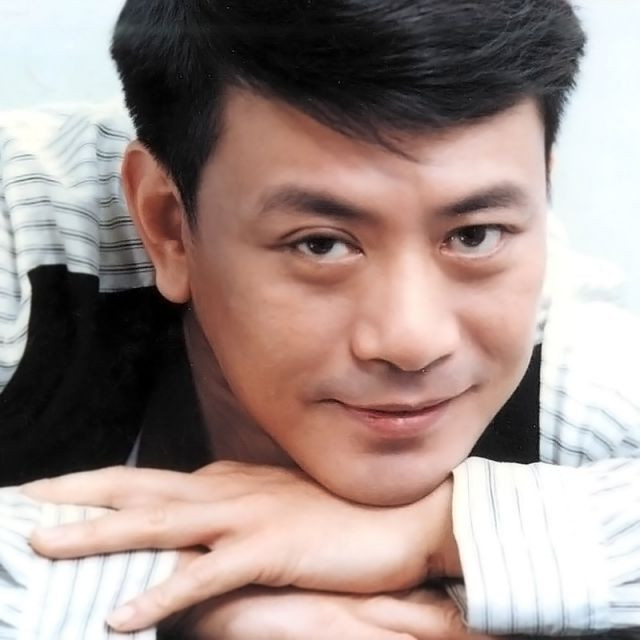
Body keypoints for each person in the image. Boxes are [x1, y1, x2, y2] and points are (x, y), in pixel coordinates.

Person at [1, 0, 640, 638]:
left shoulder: (567, 346)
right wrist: (199, 597)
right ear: (168, 225)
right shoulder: (27, 237)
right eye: (321, 244)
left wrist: (435, 534)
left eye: (473, 236)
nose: (412, 341)